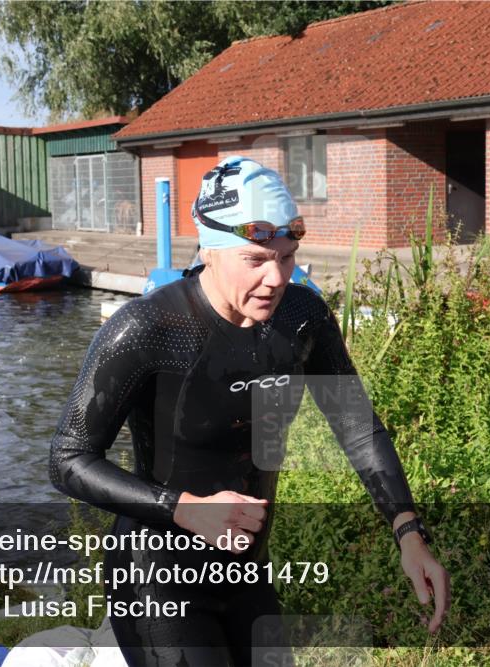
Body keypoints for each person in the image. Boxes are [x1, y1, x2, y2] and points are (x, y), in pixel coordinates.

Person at [49, 156, 449, 666]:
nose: (276, 278)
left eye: (286, 257)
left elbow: (357, 427)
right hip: (157, 575)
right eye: (256, 260)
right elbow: (67, 459)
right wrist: (184, 507)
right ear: (211, 251)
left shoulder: (303, 318)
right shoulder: (147, 329)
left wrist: (408, 531)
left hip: (245, 572)